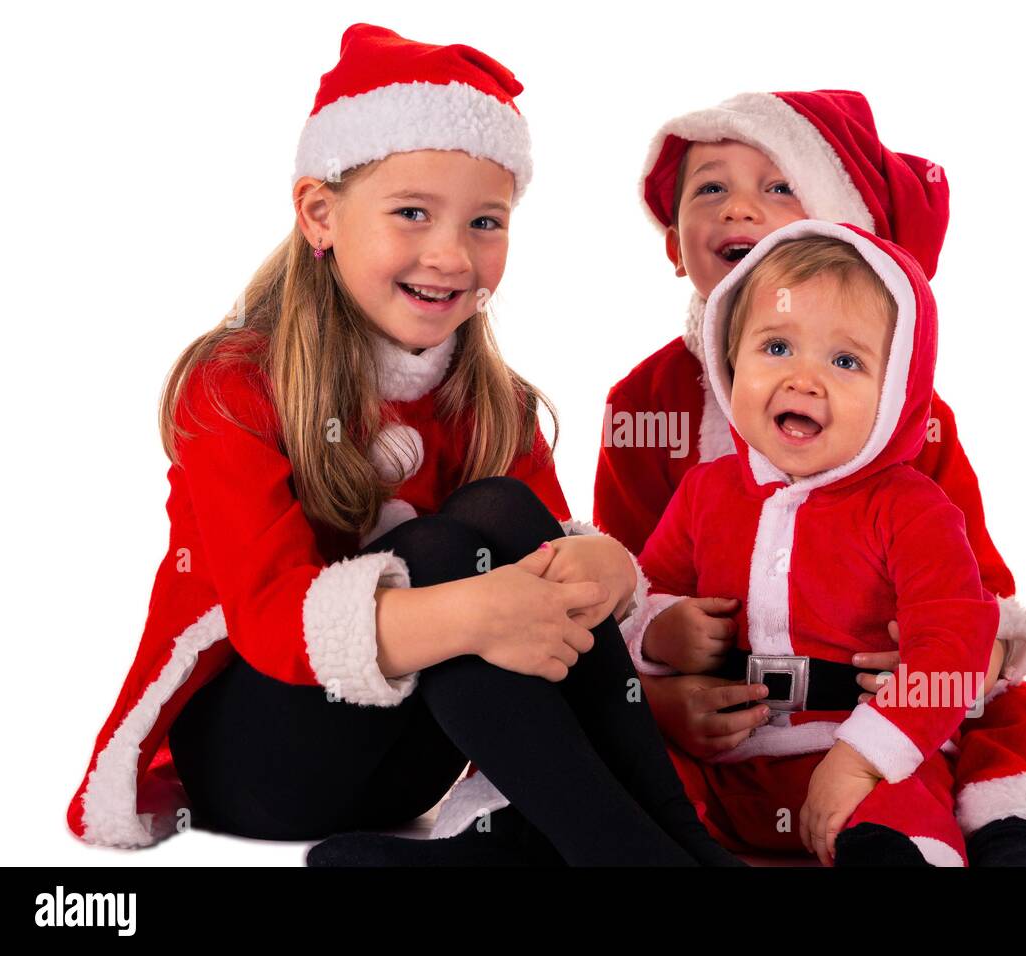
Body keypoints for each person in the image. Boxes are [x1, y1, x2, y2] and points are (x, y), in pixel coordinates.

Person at [65, 22, 742, 868]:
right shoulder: (235, 382)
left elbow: (545, 565)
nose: (452, 255)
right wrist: (471, 609)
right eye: (412, 213)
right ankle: (626, 853)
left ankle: (669, 840)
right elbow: (274, 621)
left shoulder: (495, 401)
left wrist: (606, 575)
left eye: (486, 222)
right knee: (441, 551)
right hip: (263, 759)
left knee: (499, 514)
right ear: (320, 213)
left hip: (406, 770)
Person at [595, 90, 1026, 865]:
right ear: (672, 242)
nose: (739, 210)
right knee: (588, 723)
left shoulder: (913, 430)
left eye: (779, 185)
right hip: (721, 710)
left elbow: (977, 607)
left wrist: (932, 675)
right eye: (711, 187)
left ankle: (1011, 839)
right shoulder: (644, 408)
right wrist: (659, 688)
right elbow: (620, 586)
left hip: (871, 706)